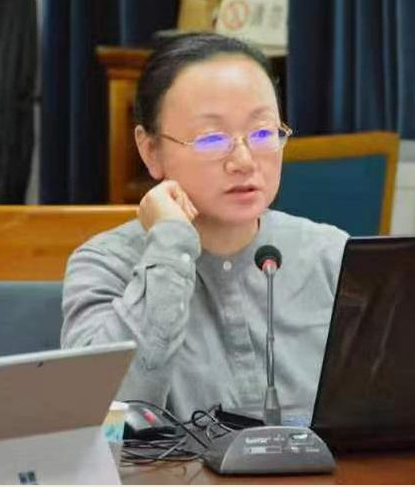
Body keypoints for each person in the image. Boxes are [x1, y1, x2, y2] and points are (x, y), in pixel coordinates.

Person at [61, 33, 349, 421]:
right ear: (150, 150)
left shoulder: (332, 255)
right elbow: (102, 418)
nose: (244, 161)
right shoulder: (105, 265)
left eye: (263, 133)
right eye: (212, 139)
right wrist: (170, 246)